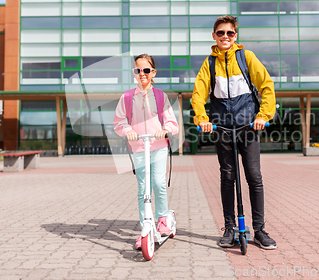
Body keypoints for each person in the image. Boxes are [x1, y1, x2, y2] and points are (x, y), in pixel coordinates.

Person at [192, 15, 277, 249]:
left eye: (230, 33)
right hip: (222, 127)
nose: (225, 37)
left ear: (235, 36)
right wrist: (203, 119)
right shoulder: (209, 63)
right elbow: (199, 94)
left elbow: (266, 86)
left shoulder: (246, 57)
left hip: (247, 125)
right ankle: (229, 227)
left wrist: (263, 115)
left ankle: (259, 229)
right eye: (221, 33)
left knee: (254, 176)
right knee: (227, 176)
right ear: (214, 36)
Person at [113, 54, 178, 250]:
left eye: (146, 70)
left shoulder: (160, 96)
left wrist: (165, 130)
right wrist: (128, 131)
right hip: (139, 148)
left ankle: (163, 219)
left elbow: (172, 123)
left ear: (153, 72)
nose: (142, 74)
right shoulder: (126, 97)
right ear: (134, 73)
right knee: (143, 189)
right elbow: (119, 122)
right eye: (138, 70)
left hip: (158, 147)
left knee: (158, 183)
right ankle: (146, 228)